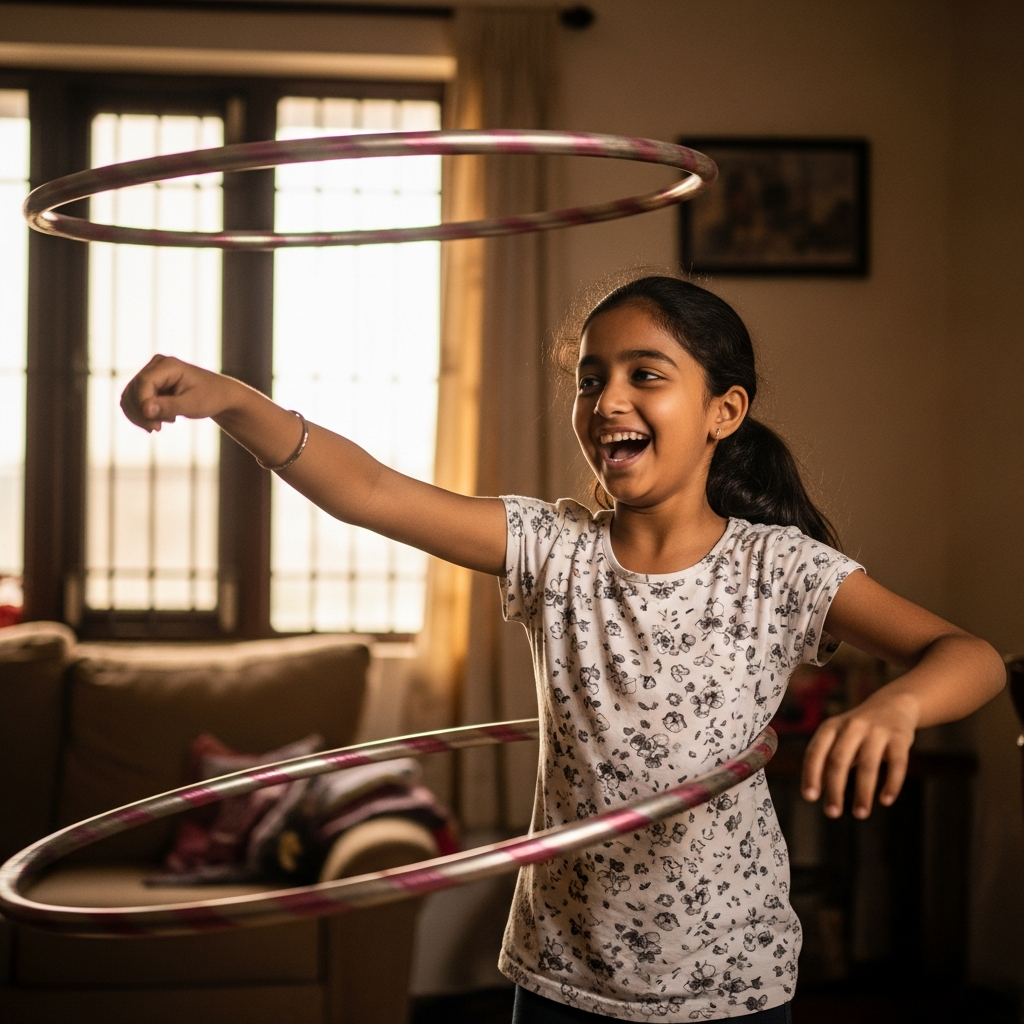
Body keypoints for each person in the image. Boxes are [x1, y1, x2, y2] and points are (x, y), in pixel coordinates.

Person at [120, 275, 1004, 1022]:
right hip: (560, 972)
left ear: (723, 411)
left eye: (644, 375)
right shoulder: (555, 548)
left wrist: (896, 704)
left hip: (727, 977)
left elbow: (971, 655)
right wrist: (234, 400)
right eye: (590, 380)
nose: (607, 400)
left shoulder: (778, 568)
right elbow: (371, 492)